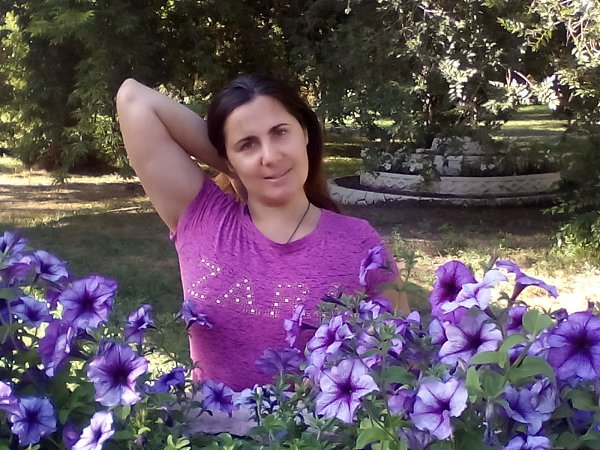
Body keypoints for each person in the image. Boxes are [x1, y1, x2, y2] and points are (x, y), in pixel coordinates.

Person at [116, 73, 409, 393]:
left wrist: (242, 160)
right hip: (213, 424)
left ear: (305, 133)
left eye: (280, 133)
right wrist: (234, 165)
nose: (269, 156)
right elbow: (133, 99)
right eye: (248, 144)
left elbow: (403, 358)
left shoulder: (358, 243)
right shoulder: (203, 218)